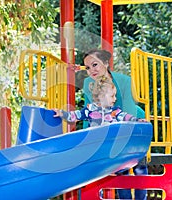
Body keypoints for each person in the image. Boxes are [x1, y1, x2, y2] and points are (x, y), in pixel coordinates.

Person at [82, 49, 148, 200]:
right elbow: (89, 113)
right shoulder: (89, 84)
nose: (91, 70)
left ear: (105, 63)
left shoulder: (124, 81)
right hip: (110, 124)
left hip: (130, 119)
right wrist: (87, 138)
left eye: (94, 65)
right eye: (87, 68)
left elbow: (129, 111)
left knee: (138, 164)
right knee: (120, 166)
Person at [53, 75, 144, 125]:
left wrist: (137, 120)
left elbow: (125, 116)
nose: (115, 99)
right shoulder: (90, 110)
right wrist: (62, 113)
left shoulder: (114, 111)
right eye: (112, 96)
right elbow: (75, 116)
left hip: (110, 143)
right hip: (95, 144)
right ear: (101, 96)